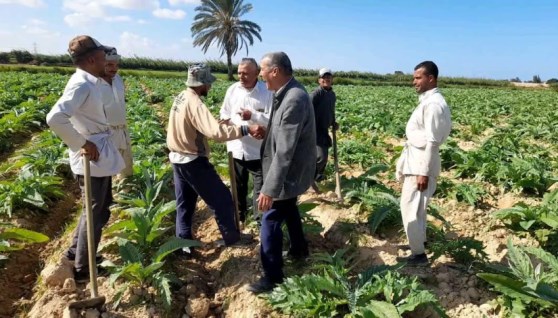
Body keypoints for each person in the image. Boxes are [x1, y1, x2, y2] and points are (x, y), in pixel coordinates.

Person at [46, 35, 124, 282]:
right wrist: (83, 143)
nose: (106, 61)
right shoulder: (82, 84)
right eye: (102, 57)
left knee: (99, 208)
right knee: (94, 213)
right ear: (91, 59)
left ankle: (75, 253)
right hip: (92, 156)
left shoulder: (91, 81)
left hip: (97, 153)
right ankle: (83, 269)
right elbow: (54, 118)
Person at [166, 63, 265, 250]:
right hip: (192, 160)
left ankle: (183, 244)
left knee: (184, 204)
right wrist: (246, 129)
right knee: (222, 200)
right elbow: (216, 133)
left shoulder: (181, 96)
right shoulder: (194, 102)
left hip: (177, 158)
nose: (209, 87)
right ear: (201, 83)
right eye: (208, 83)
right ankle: (232, 239)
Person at [247, 52, 316, 294]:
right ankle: (299, 250)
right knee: (289, 209)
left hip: (289, 173)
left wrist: (269, 189)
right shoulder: (286, 93)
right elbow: (283, 132)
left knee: (270, 217)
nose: (260, 75)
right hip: (291, 172)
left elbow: (285, 151)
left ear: (274, 71)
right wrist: (266, 132)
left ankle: (272, 276)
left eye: (263, 70)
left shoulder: (294, 98)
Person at [395, 61, 452, 266]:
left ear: (431, 78)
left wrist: (424, 172)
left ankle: (418, 256)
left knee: (410, 208)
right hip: (417, 162)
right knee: (417, 209)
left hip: (421, 165)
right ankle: (418, 244)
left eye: (418, 78)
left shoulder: (434, 104)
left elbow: (432, 142)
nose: (414, 82)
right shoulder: (428, 101)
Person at [219, 58, 272, 223]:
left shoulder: (267, 92)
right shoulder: (232, 90)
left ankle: (260, 225)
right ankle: (239, 219)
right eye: (239, 73)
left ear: (257, 73)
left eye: (246, 73)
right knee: (237, 188)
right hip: (236, 149)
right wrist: (241, 128)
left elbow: (274, 119)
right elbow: (224, 117)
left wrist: (264, 130)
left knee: (260, 190)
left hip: (258, 151)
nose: (241, 76)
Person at [99, 47, 133, 179]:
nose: (114, 68)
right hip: (105, 132)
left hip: (122, 129)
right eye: (109, 65)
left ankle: (125, 192)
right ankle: (110, 194)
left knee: (126, 166)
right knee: (106, 170)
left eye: (116, 65)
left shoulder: (118, 79)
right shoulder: (93, 83)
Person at [310, 68, 337, 183]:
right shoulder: (317, 93)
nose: (327, 79)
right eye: (324, 77)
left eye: (329, 77)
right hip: (314, 130)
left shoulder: (332, 94)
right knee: (321, 156)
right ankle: (311, 177)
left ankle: (317, 177)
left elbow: (331, 110)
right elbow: (306, 107)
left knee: (323, 156)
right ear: (319, 80)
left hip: (324, 130)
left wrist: (333, 122)